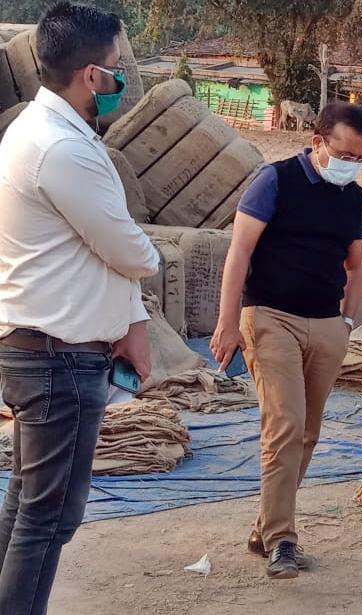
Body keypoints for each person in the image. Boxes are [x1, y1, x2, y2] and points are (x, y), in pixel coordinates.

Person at [0, 3, 159, 612]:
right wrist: (148, 258)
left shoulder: (38, 132)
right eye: (116, 67)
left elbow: (103, 253)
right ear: (91, 75)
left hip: (44, 352)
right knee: (48, 520)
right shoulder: (61, 148)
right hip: (58, 361)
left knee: (27, 505)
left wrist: (132, 316)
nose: (120, 79)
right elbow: (128, 249)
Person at [210, 102, 362, 580]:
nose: (352, 164)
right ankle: (283, 540)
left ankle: (265, 529)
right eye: (344, 154)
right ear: (318, 142)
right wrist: (227, 321)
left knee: (307, 432)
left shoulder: (355, 200)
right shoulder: (275, 181)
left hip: (326, 324)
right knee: (285, 424)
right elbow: (239, 251)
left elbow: (356, 266)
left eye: (361, 158)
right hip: (270, 318)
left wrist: (346, 323)